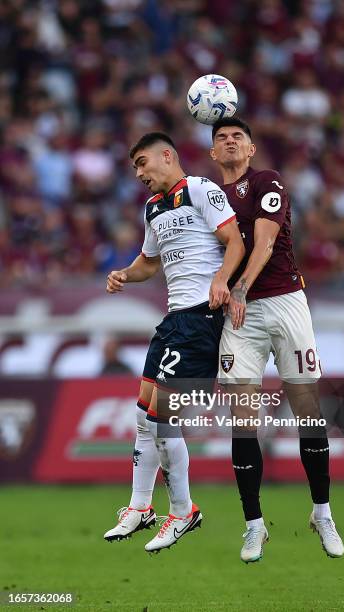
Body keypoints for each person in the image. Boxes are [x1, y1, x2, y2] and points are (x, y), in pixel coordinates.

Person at [209, 117, 344, 563]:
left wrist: (240, 288)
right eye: (221, 138)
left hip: (284, 301)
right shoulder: (206, 198)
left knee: (307, 408)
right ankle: (254, 526)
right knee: (243, 419)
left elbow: (264, 243)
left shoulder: (267, 181)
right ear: (213, 153)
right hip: (237, 315)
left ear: (250, 149)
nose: (229, 142)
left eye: (237, 138)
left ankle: (322, 512)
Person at [103, 131, 245, 552]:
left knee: (163, 418)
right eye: (135, 168)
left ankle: (182, 510)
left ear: (167, 156)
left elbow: (234, 240)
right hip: (173, 321)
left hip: (200, 319)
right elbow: (149, 263)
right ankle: (140, 506)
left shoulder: (200, 189)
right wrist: (125, 274)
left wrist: (221, 280)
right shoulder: (152, 209)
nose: (140, 173)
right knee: (145, 414)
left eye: (143, 163)